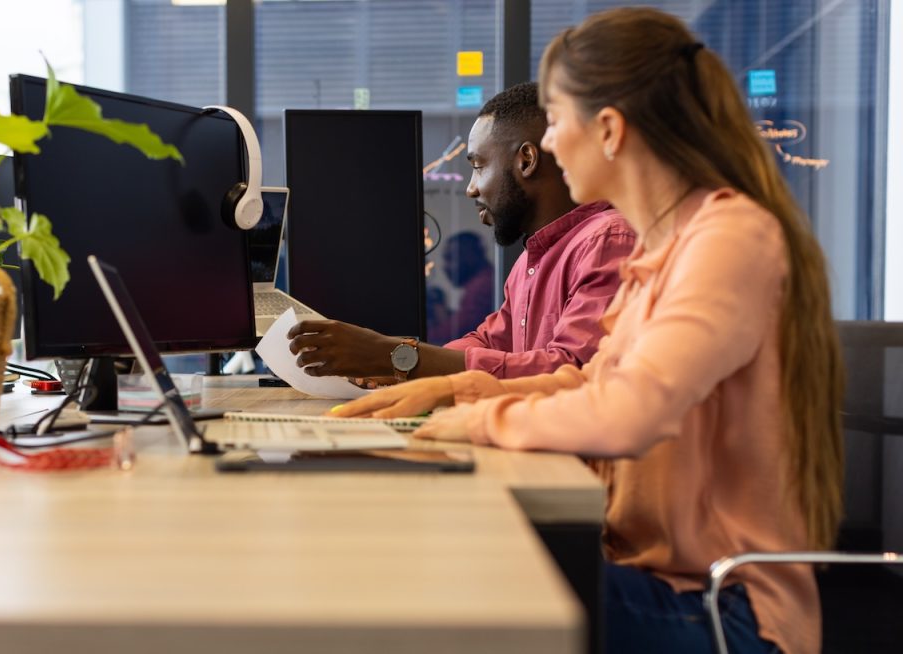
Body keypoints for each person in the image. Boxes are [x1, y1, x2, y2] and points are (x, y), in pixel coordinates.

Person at [334, 8, 843, 654]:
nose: (545, 145)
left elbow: (632, 411)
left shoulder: (728, 237)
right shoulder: (662, 247)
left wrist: (477, 419)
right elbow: (587, 380)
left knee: (445, 579)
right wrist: (454, 392)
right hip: (652, 573)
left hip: (724, 609)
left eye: (556, 119)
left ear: (607, 130)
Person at [288, 82, 635, 383]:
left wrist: (395, 356)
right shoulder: (532, 259)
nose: (470, 189)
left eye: (478, 165)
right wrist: (389, 363)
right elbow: (487, 342)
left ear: (526, 161)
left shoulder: (607, 242)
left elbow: (571, 372)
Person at [426, 231, 495, 344]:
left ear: (471, 256)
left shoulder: (481, 287)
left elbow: (457, 333)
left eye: (450, 258)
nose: (445, 266)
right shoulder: (485, 280)